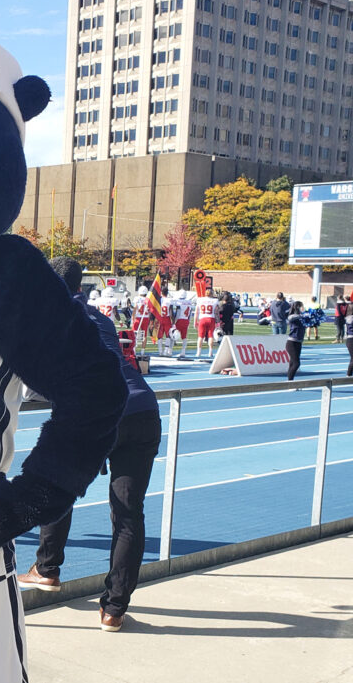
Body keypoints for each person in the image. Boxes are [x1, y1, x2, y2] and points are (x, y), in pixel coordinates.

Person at [17, 257, 161, 632]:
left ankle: (47, 568)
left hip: (97, 414)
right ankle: (114, 610)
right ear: (81, 288)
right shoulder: (102, 318)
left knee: (56, 482)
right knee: (129, 515)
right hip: (143, 409)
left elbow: (33, 385)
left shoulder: (43, 319)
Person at [194, 287, 220, 360]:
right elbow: (217, 312)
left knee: (200, 336)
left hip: (202, 318)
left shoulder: (199, 300)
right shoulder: (215, 300)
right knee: (210, 336)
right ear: (211, 294)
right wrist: (218, 322)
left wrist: (195, 321)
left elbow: (196, 312)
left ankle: (198, 352)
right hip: (211, 318)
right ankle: (210, 352)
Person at [286, 301, 307, 381]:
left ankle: (290, 381)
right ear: (298, 307)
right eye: (302, 306)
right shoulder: (293, 317)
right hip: (291, 343)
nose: (303, 308)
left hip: (298, 342)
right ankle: (290, 382)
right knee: (296, 363)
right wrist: (301, 315)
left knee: (292, 363)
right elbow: (290, 318)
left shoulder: (302, 318)